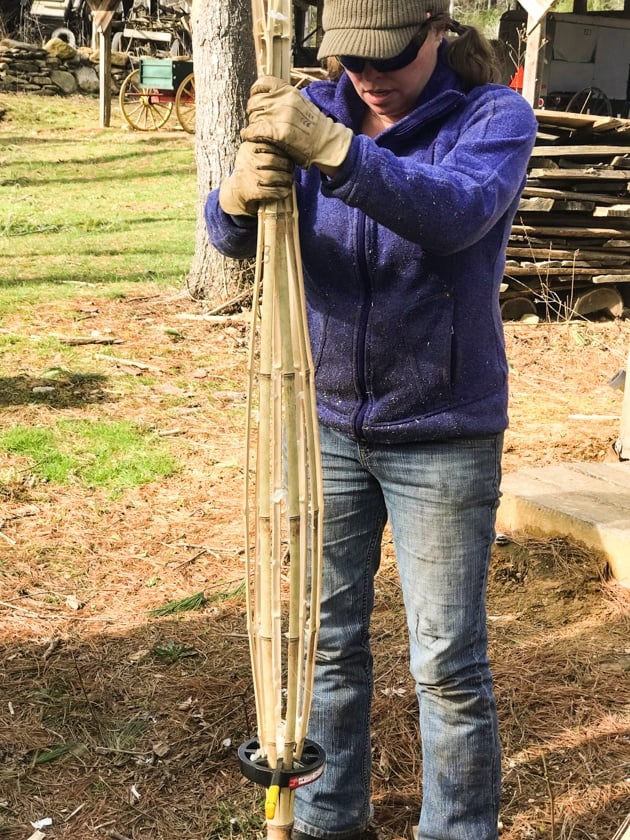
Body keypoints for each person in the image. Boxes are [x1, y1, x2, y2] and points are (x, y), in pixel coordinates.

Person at [205, 1, 538, 838]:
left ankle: (457, 830)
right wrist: (235, 200)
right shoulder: (312, 108)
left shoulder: (492, 115)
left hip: (444, 431)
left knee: (447, 664)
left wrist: (341, 157)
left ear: (436, 30)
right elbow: (239, 237)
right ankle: (326, 822)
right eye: (353, 60)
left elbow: (454, 214)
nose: (370, 78)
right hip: (325, 424)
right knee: (325, 647)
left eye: (389, 56)